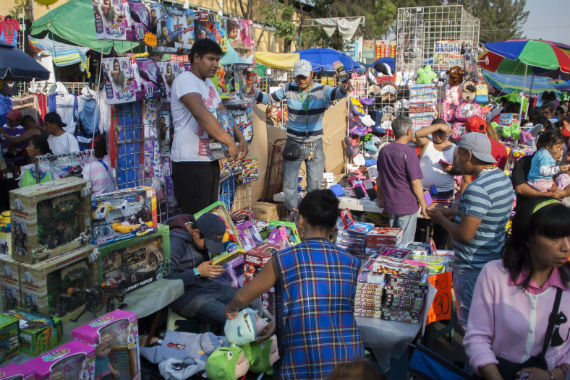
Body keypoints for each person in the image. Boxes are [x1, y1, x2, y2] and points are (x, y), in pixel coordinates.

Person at [225, 189, 365, 379]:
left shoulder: (284, 258)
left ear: (300, 220)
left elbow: (242, 296)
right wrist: (281, 322)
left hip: (303, 363)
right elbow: (329, 305)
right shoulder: (351, 261)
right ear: (333, 225)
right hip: (350, 366)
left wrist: (232, 308)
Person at [464, 198, 570, 380]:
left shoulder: (567, 284)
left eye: (569, 237)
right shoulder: (494, 274)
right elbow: (477, 339)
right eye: (554, 237)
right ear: (527, 238)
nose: (565, 247)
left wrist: (553, 375)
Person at [427, 133, 514, 330]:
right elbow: (484, 213)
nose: (454, 159)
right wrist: (453, 212)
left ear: (468, 154)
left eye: (457, 154)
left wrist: (441, 219)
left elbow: (466, 234)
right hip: (493, 259)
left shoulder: (478, 188)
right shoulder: (501, 178)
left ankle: (473, 361)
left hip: (473, 266)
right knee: (487, 321)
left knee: (472, 326)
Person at [253, 59, 350, 221]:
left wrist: (344, 87)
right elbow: (268, 99)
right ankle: (295, 215)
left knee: (315, 187)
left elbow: (338, 93)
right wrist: (252, 91)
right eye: (298, 76)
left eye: (304, 76)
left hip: (315, 145)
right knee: (290, 186)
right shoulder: (288, 88)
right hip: (293, 143)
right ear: (294, 76)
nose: (301, 80)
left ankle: (312, 218)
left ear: (311, 75)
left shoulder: (322, 90)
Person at [170, 38, 247, 215]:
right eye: (211, 59)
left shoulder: (208, 84)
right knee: (195, 219)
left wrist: (240, 138)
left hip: (210, 160)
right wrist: (229, 142)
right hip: (189, 163)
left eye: (217, 60)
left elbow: (223, 113)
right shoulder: (185, 80)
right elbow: (202, 116)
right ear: (196, 57)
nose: (215, 64)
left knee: (210, 215)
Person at [166, 212, 261, 331]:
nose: (208, 248)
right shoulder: (176, 242)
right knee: (232, 317)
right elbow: (165, 279)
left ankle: (258, 341)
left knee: (254, 302)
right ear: (196, 233)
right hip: (185, 297)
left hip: (208, 287)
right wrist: (197, 272)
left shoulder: (200, 240)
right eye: (208, 244)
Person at [377, 116, 428, 242]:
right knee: (404, 245)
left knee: (393, 243)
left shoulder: (384, 151)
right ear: (408, 132)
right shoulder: (409, 153)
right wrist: (424, 206)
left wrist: (380, 198)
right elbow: (416, 183)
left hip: (390, 204)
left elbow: (379, 178)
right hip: (406, 205)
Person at [513, 130, 570, 208]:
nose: (561, 154)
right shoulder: (524, 162)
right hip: (529, 208)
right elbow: (520, 188)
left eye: (562, 149)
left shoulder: (558, 164)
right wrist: (543, 195)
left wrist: (563, 192)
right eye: (558, 148)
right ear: (547, 147)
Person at [415, 118, 456, 199]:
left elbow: (461, 171)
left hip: (445, 192)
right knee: (426, 210)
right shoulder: (427, 143)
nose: (438, 136)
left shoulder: (454, 148)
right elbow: (417, 134)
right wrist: (439, 126)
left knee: (442, 211)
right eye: (435, 132)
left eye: (440, 132)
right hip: (425, 191)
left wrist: (452, 169)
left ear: (445, 132)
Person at [527, 129, 570, 195]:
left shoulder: (543, 153)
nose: (560, 151)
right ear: (548, 145)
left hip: (539, 180)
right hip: (539, 182)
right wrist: (558, 169)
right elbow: (543, 171)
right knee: (555, 192)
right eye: (557, 147)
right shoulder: (544, 156)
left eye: (561, 148)